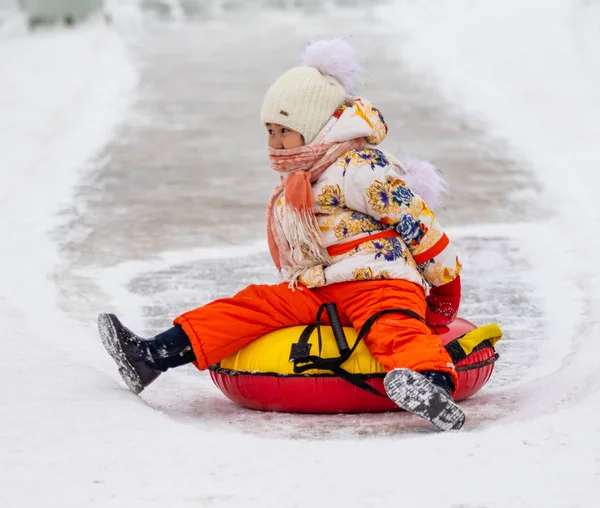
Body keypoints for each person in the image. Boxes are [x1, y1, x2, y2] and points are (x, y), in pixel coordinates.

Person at [98, 38, 464, 431]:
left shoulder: (359, 166)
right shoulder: (303, 174)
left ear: (313, 127)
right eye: (270, 131)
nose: (274, 143)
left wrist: (446, 288)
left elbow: (418, 222)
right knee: (251, 305)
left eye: (284, 131)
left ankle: (431, 386)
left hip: (380, 282)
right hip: (319, 286)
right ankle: (152, 356)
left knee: (394, 326)